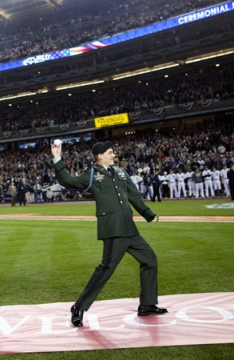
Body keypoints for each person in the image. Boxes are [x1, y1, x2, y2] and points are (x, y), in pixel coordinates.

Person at [50, 140, 167, 327]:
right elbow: (67, 181)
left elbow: (134, 195)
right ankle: (78, 307)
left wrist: (147, 213)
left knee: (149, 260)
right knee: (105, 270)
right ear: (100, 156)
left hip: (130, 229)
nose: (114, 155)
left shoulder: (121, 172)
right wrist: (57, 158)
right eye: (111, 152)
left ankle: (147, 304)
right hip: (113, 230)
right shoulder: (91, 175)